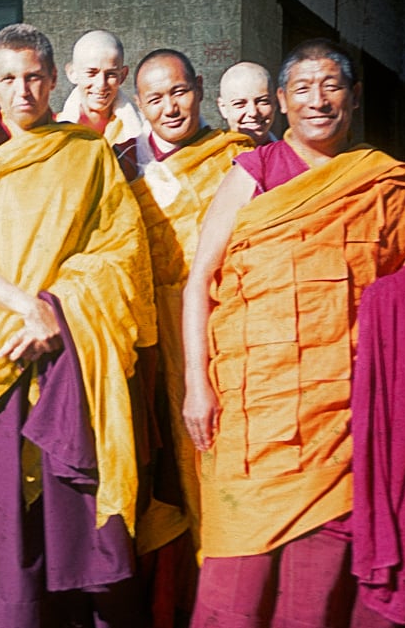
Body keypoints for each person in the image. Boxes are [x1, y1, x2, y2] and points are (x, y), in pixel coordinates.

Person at [182, 38, 405, 628]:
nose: (317, 100)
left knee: (321, 589)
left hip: (346, 417)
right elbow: (199, 281)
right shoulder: (252, 174)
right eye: (302, 88)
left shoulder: (384, 185)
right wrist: (195, 386)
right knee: (235, 584)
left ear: (353, 99)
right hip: (254, 414)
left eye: (331, 87)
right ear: (281, 102)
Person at [0, 23, 156, 628]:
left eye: (33, 78)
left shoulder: (85, 152)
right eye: (8, 79)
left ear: (52, 80)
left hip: (68, 353)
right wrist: (30, 308)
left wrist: (60, 308)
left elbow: (119, 251)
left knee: (65, 510)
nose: (23, 91)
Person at [119, 48, 253, 628]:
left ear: (199, 89)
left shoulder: (241, 158)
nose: (170, 107)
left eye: (179, 91)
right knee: (161, 474)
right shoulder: (121, 164)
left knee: (226, 462)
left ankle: (231, 597)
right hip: (149, 340)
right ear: (139, 104)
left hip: (226, 332)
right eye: (154, 98)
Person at [57, 29, 143, 145]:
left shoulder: (143, 131)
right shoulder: (53, 131)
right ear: (73, 73)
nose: (101, 84)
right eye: (91, 73)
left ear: (122, 76)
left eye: (111, 74)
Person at [215, 61, 277, 145]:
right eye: (239, 104)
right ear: (223, 108)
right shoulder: (210, 155)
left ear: (275, 103)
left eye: (262, 101)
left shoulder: (291, 154)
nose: (253, 112)